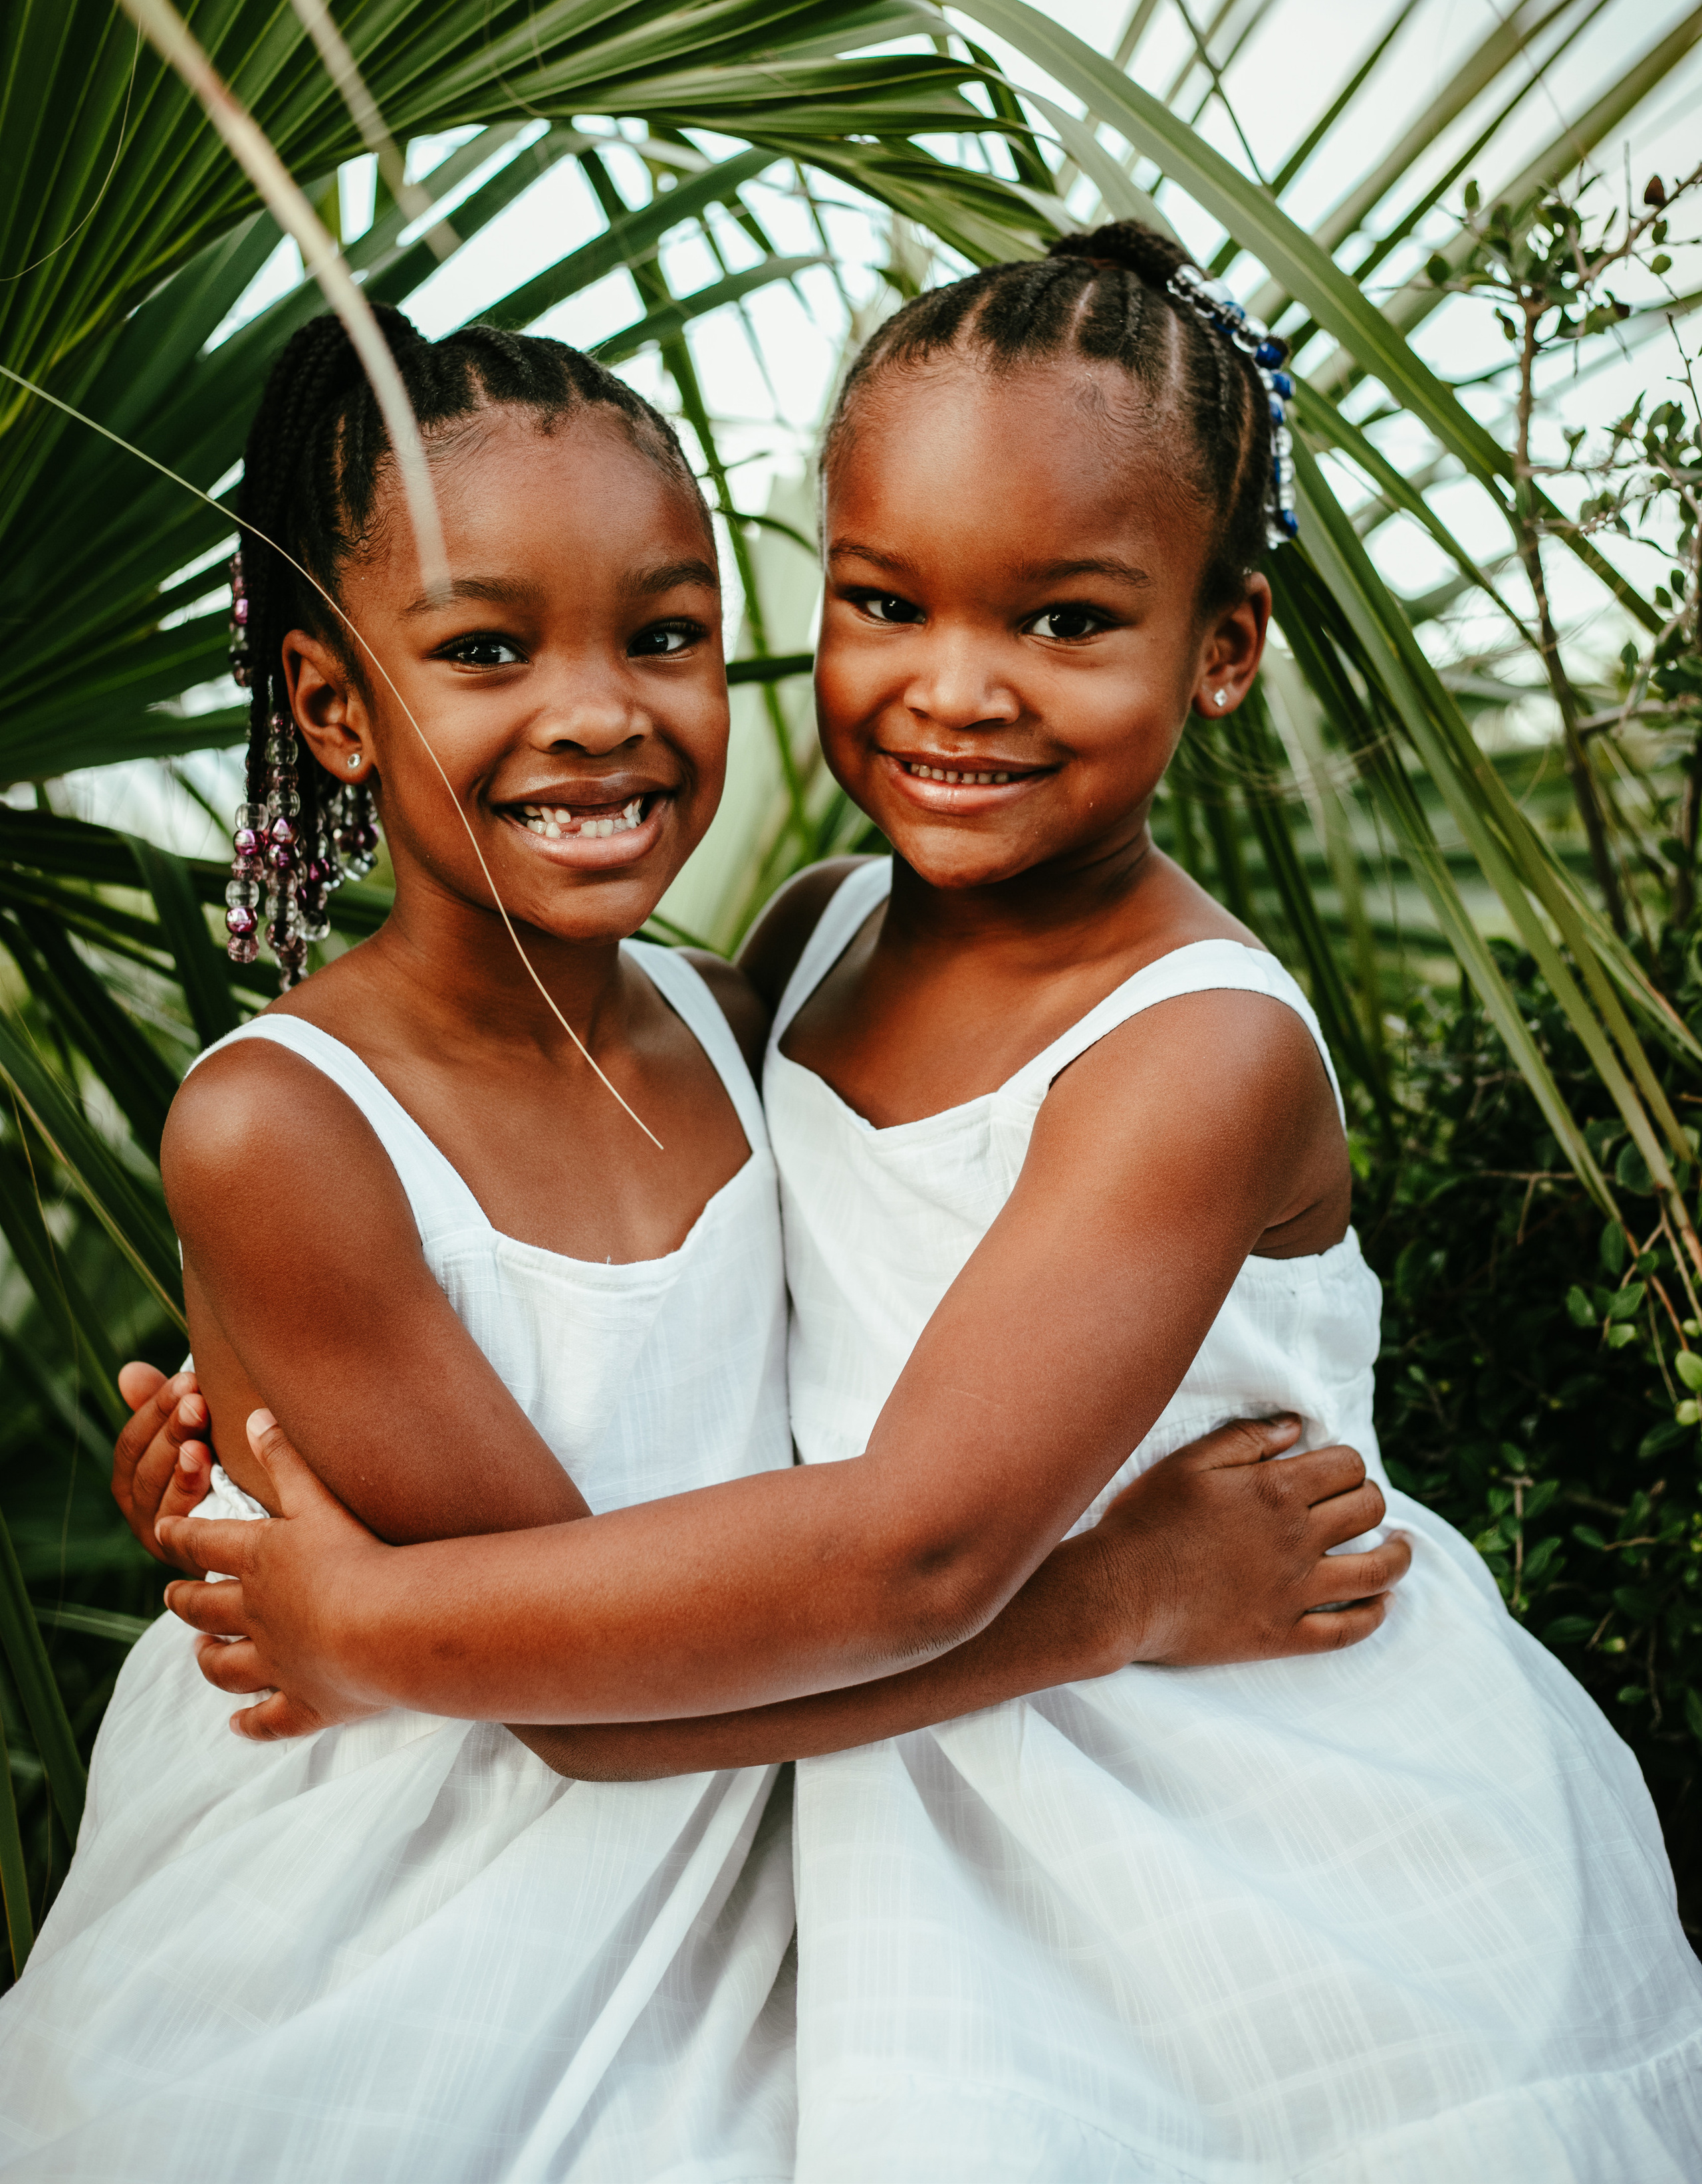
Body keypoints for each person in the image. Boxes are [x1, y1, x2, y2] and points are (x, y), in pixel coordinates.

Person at [160, 227, 1702, 2179]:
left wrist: (369, 1616)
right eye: (888, 602)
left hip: (1234, 1802)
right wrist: (235, 1422)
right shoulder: (801, 956)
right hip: (886, 1801)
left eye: (1065, 620)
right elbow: (564, 1287)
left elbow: (914, 1553)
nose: (956, 689)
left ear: (1224, 647)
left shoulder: (1192, 1057)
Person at [0, 305, 1388, 2183]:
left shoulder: (740, 1013)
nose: (597, 712)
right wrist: (1111, 1597)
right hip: (381, 1938)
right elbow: (570, 1693)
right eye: (486, 650)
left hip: (734, 1907)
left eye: (662, 637)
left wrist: (304, 1525)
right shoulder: (281, 1131)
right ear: (333, 706)